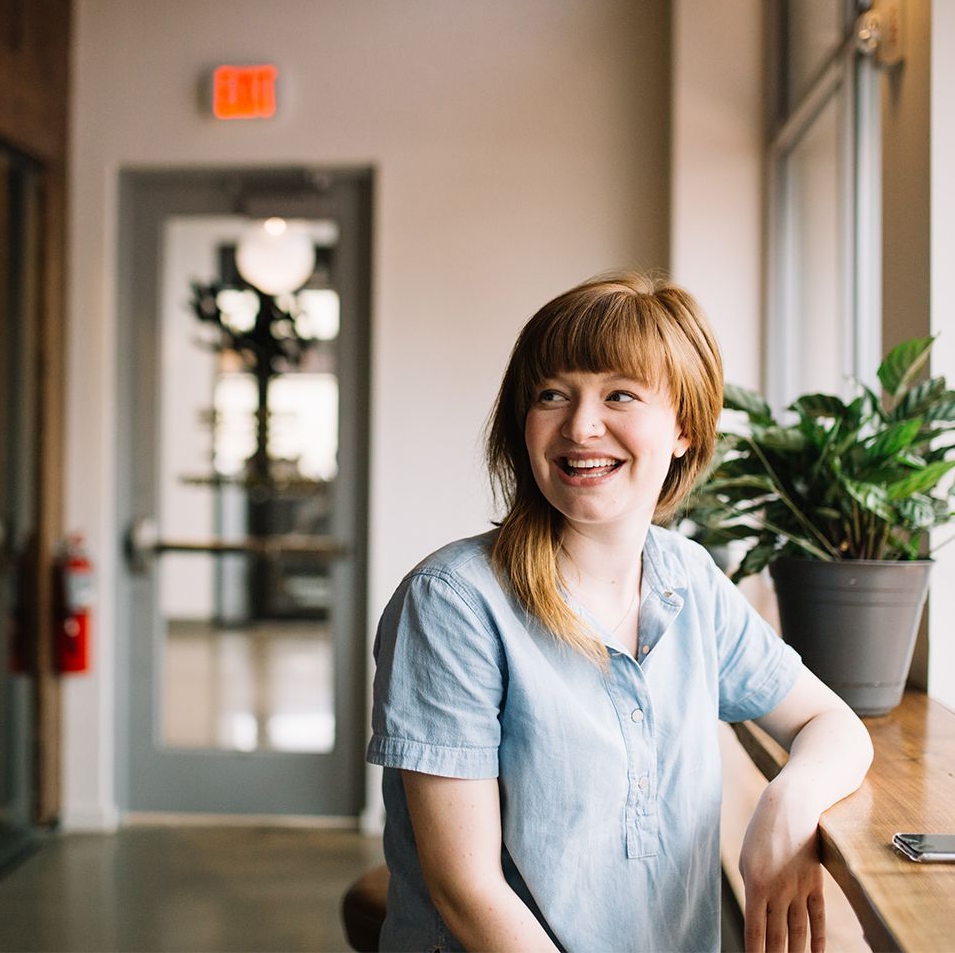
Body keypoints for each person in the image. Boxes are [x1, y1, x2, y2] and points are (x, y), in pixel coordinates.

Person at [367, 272, 873, 953]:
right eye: (551, 395)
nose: (580, 426)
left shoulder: (688, 578)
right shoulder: (452, 601)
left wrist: (788, 803)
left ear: (684, 428)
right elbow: (467, 891)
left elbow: (832, 724)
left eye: (620, 395)